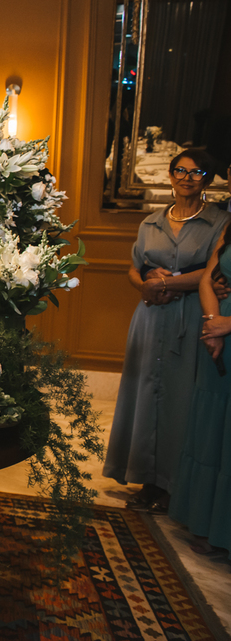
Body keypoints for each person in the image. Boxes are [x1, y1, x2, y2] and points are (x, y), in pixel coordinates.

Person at [104, 150, 231, 514]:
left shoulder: (220, 222)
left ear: (209, 180)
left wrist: (166, 284)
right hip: (149, 316)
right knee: (145, 397)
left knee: (181, 400)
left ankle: (175, 485)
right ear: (171, 175)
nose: (187, 178)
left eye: (197, 172)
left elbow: (212, 273)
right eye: (180, 170)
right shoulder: (151, 222)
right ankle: (146, 478)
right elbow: (134, 268)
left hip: (191, 316)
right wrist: (144, 286)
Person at [170, 219, 231, 557]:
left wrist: (228, 324)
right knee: (213, 430)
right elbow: (209, 278)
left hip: (227, 325)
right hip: (218, 332)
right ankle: (209, 524)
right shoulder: (229, 226)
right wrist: (212, 324)